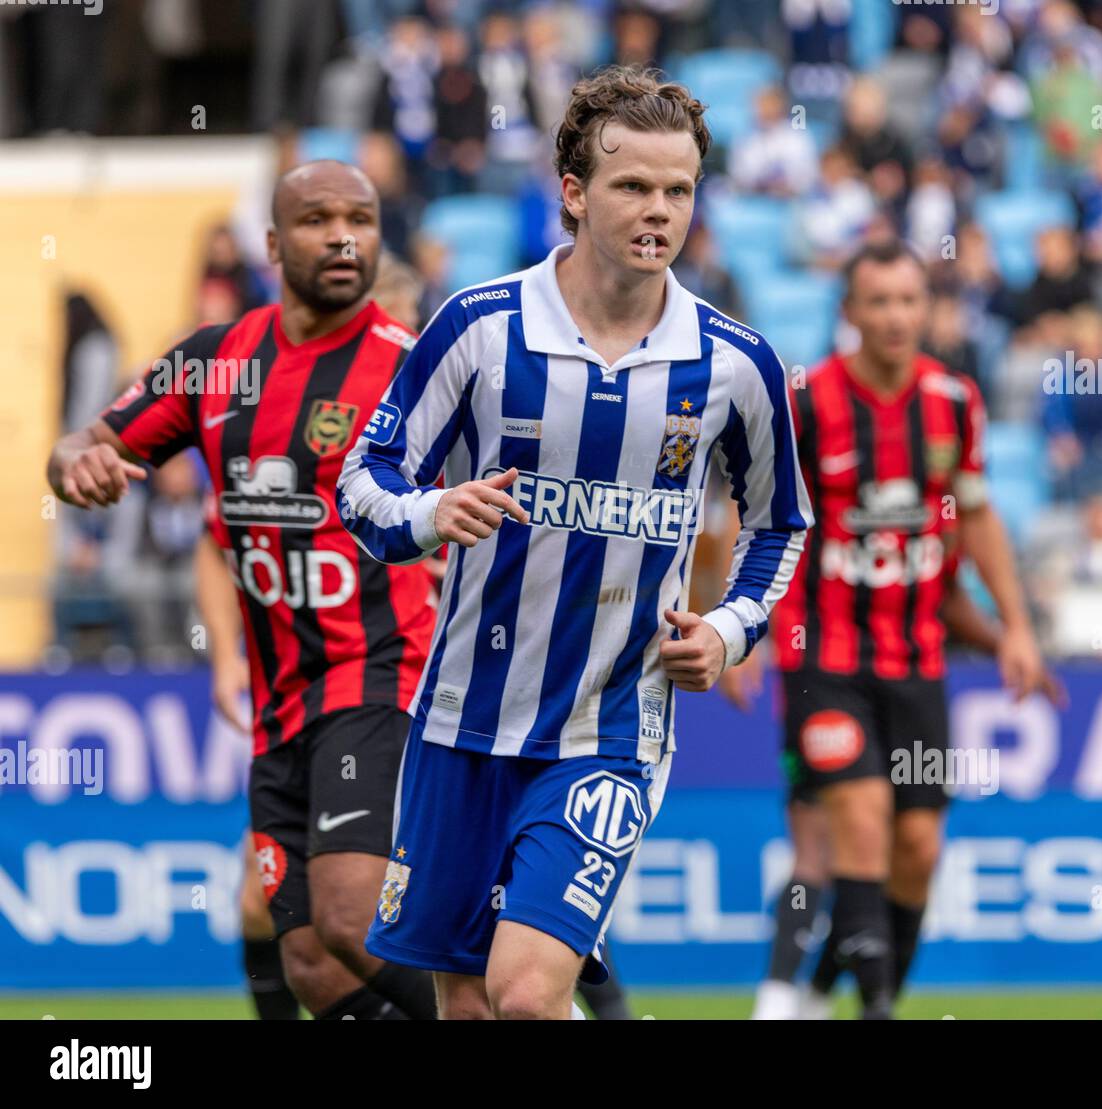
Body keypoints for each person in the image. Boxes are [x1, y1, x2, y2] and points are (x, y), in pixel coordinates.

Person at [337, 64, 813, 1020]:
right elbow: (361, 482)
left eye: (678, 189)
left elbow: (780, 525)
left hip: (610, 730)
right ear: (573, 193)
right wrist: (432, 513)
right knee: (466, 1006)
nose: (659, 210)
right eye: (632, 185)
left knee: (523, 994)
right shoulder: (478, 327)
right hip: (460, 720)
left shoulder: (733, 360)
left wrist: (728, 628)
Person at [45, 160, 439, 1021]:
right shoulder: (218, 362)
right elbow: (88, 442)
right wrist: (81, 464)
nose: (342, 236)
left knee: (346, 916)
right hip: (279, 703)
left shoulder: (416, 369)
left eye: (362, 219)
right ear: (270, 244)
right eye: (317, 219)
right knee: (307, 960)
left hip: (380, 678)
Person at [755, 239, 1046, 1019]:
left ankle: (815, 992)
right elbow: (752, 517)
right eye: (878, 301)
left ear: (928, 306)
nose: (895, 316)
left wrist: (1016, 626)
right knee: (854, 820)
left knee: (916, 849)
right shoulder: (808, 402)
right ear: (848, 312)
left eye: (909, 299)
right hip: (822, 658)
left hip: (917, 662)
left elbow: (976, 516)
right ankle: (860, 1007)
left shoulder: (952, 401)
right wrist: (733, 624)